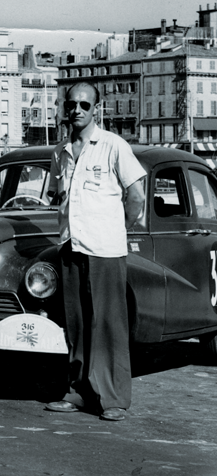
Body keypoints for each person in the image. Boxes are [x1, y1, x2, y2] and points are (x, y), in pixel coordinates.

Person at [44, 82, 145, 422]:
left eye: (84, 105)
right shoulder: (60, 151)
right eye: (71, 104)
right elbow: (57, 197)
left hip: (105, 249)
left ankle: (113, 398)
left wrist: (118, 228)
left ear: (96, 109)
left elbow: (136, 195)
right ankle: (78, 392)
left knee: (108, 324)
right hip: (71, 244)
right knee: (77, 324)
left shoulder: (113, 146)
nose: (77, 110)